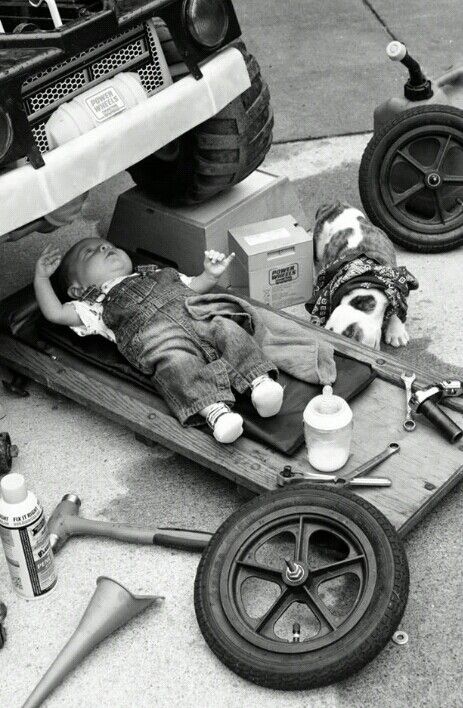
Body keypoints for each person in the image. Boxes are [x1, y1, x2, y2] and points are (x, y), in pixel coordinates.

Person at [34, 239, 284, 443]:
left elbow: (193, 287)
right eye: (90, 252)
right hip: (160, 340)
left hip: (195, 313)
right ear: (78, 290)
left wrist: (209, 274)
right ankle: (216, 412)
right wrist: (42, 278)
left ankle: (259, 382)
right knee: (177, 366)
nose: (104, 248)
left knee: (227, 329)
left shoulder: (158, 272)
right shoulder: (91, 307)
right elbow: (54, 313)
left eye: (108, 245)